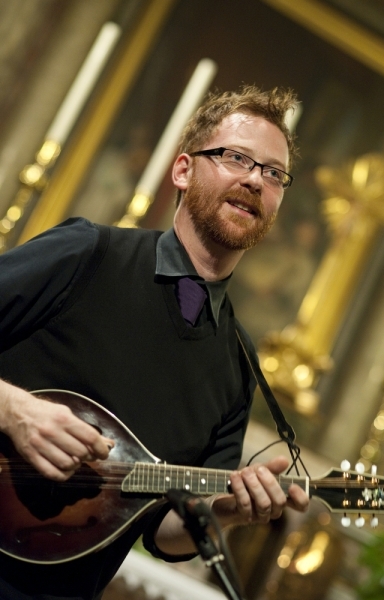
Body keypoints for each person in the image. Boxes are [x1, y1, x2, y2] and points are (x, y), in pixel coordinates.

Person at [0, 85, 309, 599]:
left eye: (273, 172)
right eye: (237, 158)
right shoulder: (88, 255)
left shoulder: (237, 366)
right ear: (183, 170)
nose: (255, 179)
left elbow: (165, 532)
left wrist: (226, 512)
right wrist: (14, 411)